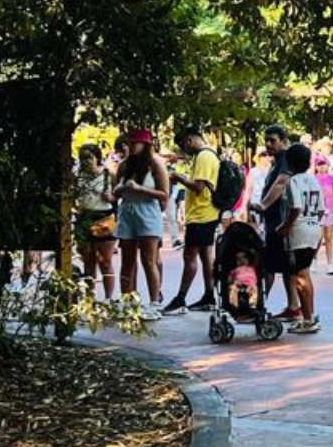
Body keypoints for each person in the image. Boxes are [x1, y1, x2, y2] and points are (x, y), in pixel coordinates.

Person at [161, 127, 222, 315]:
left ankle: (181, 298)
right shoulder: (208, 155)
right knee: (205, 257)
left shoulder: (204, 156)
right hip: (205, 213)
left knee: (190, 257)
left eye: (182, 145)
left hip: (201, 214)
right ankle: (209, 296)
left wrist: (179, 177)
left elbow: (198, 186)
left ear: (189, 140)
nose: (183, 150)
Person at [264, 143, 323, 334]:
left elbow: (296, 208)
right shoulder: (314, 181)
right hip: (314, 228)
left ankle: (308, 319)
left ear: (289, 162)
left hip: (298, 231)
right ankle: (309, 315)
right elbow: (321, 209)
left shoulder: (292, 182)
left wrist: (284, 227)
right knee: (304, 274)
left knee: (300, 276)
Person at [112, 129, 170, 317]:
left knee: (148, 260)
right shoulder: (124, 165)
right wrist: (120, 188)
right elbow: (114, 191)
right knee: (127, 260)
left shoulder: (156, 165)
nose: (130, 147)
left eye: (134, 143)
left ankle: (154, 303)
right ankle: (128, 301)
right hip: (128, 211)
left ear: (144, 144)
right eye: (128, 143)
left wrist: (140, 189)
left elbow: (164, 194)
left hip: (147, 211)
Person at [74, 143, 118, 301]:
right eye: (82, 158)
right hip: (84, 217)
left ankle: (108, 298)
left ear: (97, 157)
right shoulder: (77, 175)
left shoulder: (108, 173)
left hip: (103, 217)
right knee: (88, 261)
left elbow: (119, 194)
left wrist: (111, 197)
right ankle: (90, 298)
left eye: (89, 157)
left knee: (105, 260)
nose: (86, 161)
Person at [312, 140, 333, 275]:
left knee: (329, 237)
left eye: (324, 163)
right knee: (317, 238)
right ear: (316, 166)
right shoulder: (313, 179)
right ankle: (314, 261)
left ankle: (330, 264)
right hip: (318, 211)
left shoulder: (331, 179)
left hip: (330, 210)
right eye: (319, 164)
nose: (322, 166)